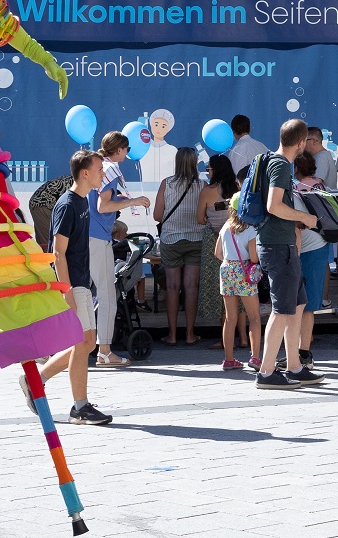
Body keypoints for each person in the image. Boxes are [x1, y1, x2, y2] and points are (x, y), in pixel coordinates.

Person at [37, 150, 113, 425]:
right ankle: (79, 407)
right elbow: (58, 252)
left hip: (81, 281)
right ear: (85, 173)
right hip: (72, 283)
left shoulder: (82, 201)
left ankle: (37, 379)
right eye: (99, 169)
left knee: (87, 342)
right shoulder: (68, 204)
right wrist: (66, 290)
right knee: (83, 343)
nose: (102, 174)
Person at [254, 119, 324, 389]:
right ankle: (266, 371)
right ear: (302, 142)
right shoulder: (282, 165)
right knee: (282, 309)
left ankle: (294, 366)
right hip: (277, 244)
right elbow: (273, 205)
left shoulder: (271, 160)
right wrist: (305, 218)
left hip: (280, 244)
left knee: (296, 305)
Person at [89, 131, 151, 369]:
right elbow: (103, 205)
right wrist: (134, 201)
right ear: (118, 150)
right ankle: (104, 352)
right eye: (125, 150)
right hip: (97, 237)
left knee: (81, 294)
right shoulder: (111, 169)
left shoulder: (94, 165)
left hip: (85, 235)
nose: (127, 154)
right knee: (107, 296)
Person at [153, 147, 206, 345]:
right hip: (196, 239)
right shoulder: (202, 185)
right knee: (191, 287)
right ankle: (190, 334)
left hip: (171, 240)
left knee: (173, 287)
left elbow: (158, 216)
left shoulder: (167, 184)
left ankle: (173, 335)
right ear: (194, 163)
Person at [292, 152, 334, 365]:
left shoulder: (295, 190)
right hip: (320, 245)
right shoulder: (321, 187)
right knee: (310, 304)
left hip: (301, 249)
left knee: (297, 303)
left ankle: (296, 353)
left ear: (296, 169)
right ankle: (304, 350)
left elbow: (296, 221)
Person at [214, 193, 263, 372]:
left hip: (226, 269)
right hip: (243, 272)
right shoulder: (250, 230)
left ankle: (229, 359)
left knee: (230, 318)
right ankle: (255, 358)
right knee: (254, 317)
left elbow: (218, 253)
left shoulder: (225, 227)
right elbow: (253, 257)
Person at [197, 153, 241, 344]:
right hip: (237, 240)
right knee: (240, 286)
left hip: (214, 241)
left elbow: (199, 218)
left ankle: (226, 338)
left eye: (209, 169)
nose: (208, 172)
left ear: (215, 170)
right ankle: (244, 338)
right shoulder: (237, 188)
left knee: (221, 289)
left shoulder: (208, 191)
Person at [139, 108, 177, 181]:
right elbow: (128, 154)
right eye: (156, 124)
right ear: (151, 125)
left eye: (163, 126)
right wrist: (138, 130)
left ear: (168, 129)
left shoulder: (172, 150)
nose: (159, 129)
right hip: (145, 190)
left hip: (167, 190)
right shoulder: (144, 147)